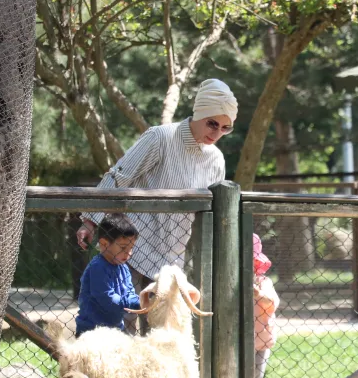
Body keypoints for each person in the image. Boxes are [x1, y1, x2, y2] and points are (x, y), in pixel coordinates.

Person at [76, 79, 237, 301]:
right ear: (199, 113)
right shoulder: (160, 137)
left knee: (163, 331)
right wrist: (90, 221)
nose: (217, 132)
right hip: (131, 251)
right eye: (212, 123)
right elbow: (118, 177)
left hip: (173, 261)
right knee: (124, 322)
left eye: (225, 127)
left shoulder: (216, 159)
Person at [75, 213, 141, 337]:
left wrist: (141, 300)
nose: (129, 253)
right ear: (104, 244)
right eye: (123, 248)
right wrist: (138, 302)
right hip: (91, 332)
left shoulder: (124, 268)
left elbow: (130, 293)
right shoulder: (98, 268)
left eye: (131, 248)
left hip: (115, 331)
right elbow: (108, 300)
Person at [251, 234, 279, 378]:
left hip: (259, 341)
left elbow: (272, 303)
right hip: (235, 341)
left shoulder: (263, 282)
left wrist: (258, 294)